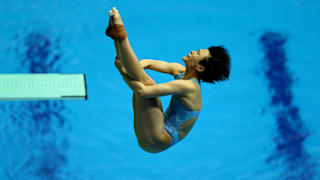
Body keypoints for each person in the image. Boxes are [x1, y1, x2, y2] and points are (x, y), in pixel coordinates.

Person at [106, 7, 230, 153]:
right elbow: (148, 63)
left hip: (156, 140)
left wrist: (122, 72)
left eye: (197, 53)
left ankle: (121, 35)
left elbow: (143, 91)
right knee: (139, 76)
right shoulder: (180, 70)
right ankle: (117, 36)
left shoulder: (190, 87)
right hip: (153, 129)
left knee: (147, 84)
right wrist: (131, 67)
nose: (192, 51)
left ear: (200, 68)